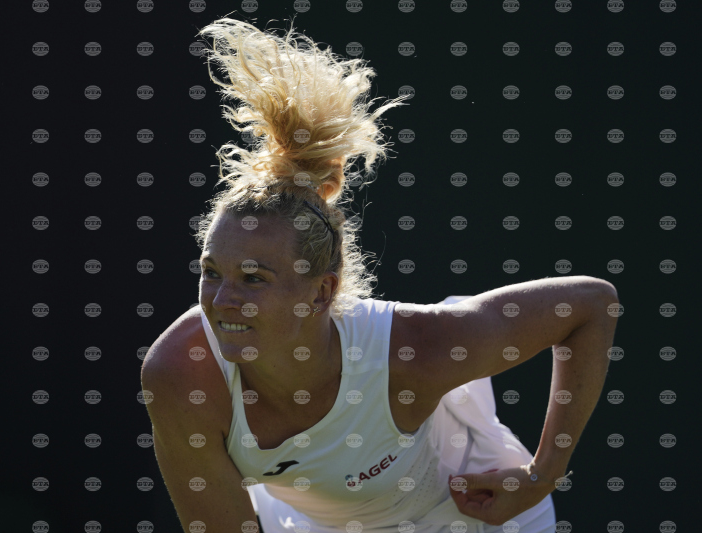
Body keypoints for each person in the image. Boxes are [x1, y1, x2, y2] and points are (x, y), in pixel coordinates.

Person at [141, 16, 618, 533]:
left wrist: (542, 475)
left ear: (321, 293)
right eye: (212, 272)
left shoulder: (415, 349)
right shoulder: (180, 373)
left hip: (478, 518)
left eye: (254, 278)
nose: (221, 300)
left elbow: (591, 306)